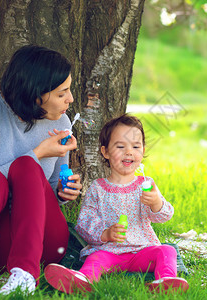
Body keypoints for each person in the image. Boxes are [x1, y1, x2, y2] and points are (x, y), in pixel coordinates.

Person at [0, 45, 83, 299]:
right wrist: (38, 153)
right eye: (62, 92)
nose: (70, 99)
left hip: (42, 243)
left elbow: (49, 192)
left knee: (26, 167)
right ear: (35, 94)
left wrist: (63, 192)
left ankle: (24, 275)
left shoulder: (61, 122)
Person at [44, 114, 189, 294]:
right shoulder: (98, 188)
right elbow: (84, 223)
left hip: (142, 250)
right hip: (109, 252)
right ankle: (83, 280)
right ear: (105, 152)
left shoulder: (146, 184)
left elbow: (164, 216)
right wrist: (105, 234)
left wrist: (156, 203)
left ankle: (166, 280)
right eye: (120, 146)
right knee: (95, 259)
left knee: (166, 251)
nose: (129, 152)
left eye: (136, 146)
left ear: (143, 150)